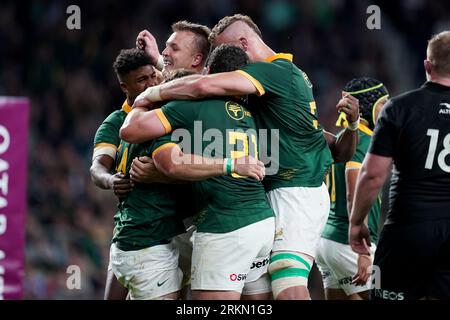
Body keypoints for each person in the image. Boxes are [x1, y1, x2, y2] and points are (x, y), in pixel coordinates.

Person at [129, 14, 359, 300]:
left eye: (233, 51)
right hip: (263, 205)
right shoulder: (262, 89)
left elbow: (203, 84)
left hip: (296, 194)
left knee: (287, 280)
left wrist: (151, 91)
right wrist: (162, 64)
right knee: (261, 292)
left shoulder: (274, 72)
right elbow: (335, 148)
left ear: (244, 43)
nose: (231, 62)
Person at [120, 44, 275, 300]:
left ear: (208, 72)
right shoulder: (251, 114)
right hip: (262, 223)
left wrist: (143, 99)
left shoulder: (191, 107)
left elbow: (130, 131)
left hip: (226, 225)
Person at [349, 31, 450, 300]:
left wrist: (357, 222)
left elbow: (372, 176)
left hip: (408, 229)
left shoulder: (399, 108)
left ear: (427, 65)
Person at [90, 48, 159, 299]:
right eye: (142, 80)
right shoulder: (115, 123)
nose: (151, 83)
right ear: (124, 87)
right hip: (132, 231)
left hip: (174, 229)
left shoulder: (171, 109)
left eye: (153, 75)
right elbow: (97, 169)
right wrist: (111, 180)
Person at [316, 78, 389, 300]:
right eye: (384, 103)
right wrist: (363, 251)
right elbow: (354, 192)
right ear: (369, 107)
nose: (389, 109)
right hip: (349, 244)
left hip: (327, 240)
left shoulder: (342, 139)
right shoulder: (366, 140)